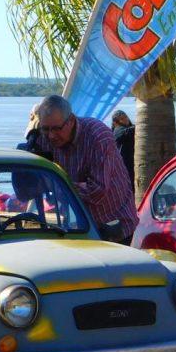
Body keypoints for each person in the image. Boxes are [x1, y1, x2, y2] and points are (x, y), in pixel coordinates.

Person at [35, 95, 138, 244]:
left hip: (114, 225)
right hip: (78, 226)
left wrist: (56, 184)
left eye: (56, 129)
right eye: (45, 129)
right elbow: (27, 188)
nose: (51, 135)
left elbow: (97, 190)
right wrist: (31, 140)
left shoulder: (98, 136)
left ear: (70, 120)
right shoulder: (44, 138)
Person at [110, 109, 136, 189]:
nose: (126, 119)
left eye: (125, 117)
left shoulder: (131, 128)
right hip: (124, 165)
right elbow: (125, 133)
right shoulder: (117, 130)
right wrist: (141, 126)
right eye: (122, 118)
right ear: (116, 122)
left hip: (131, 163)